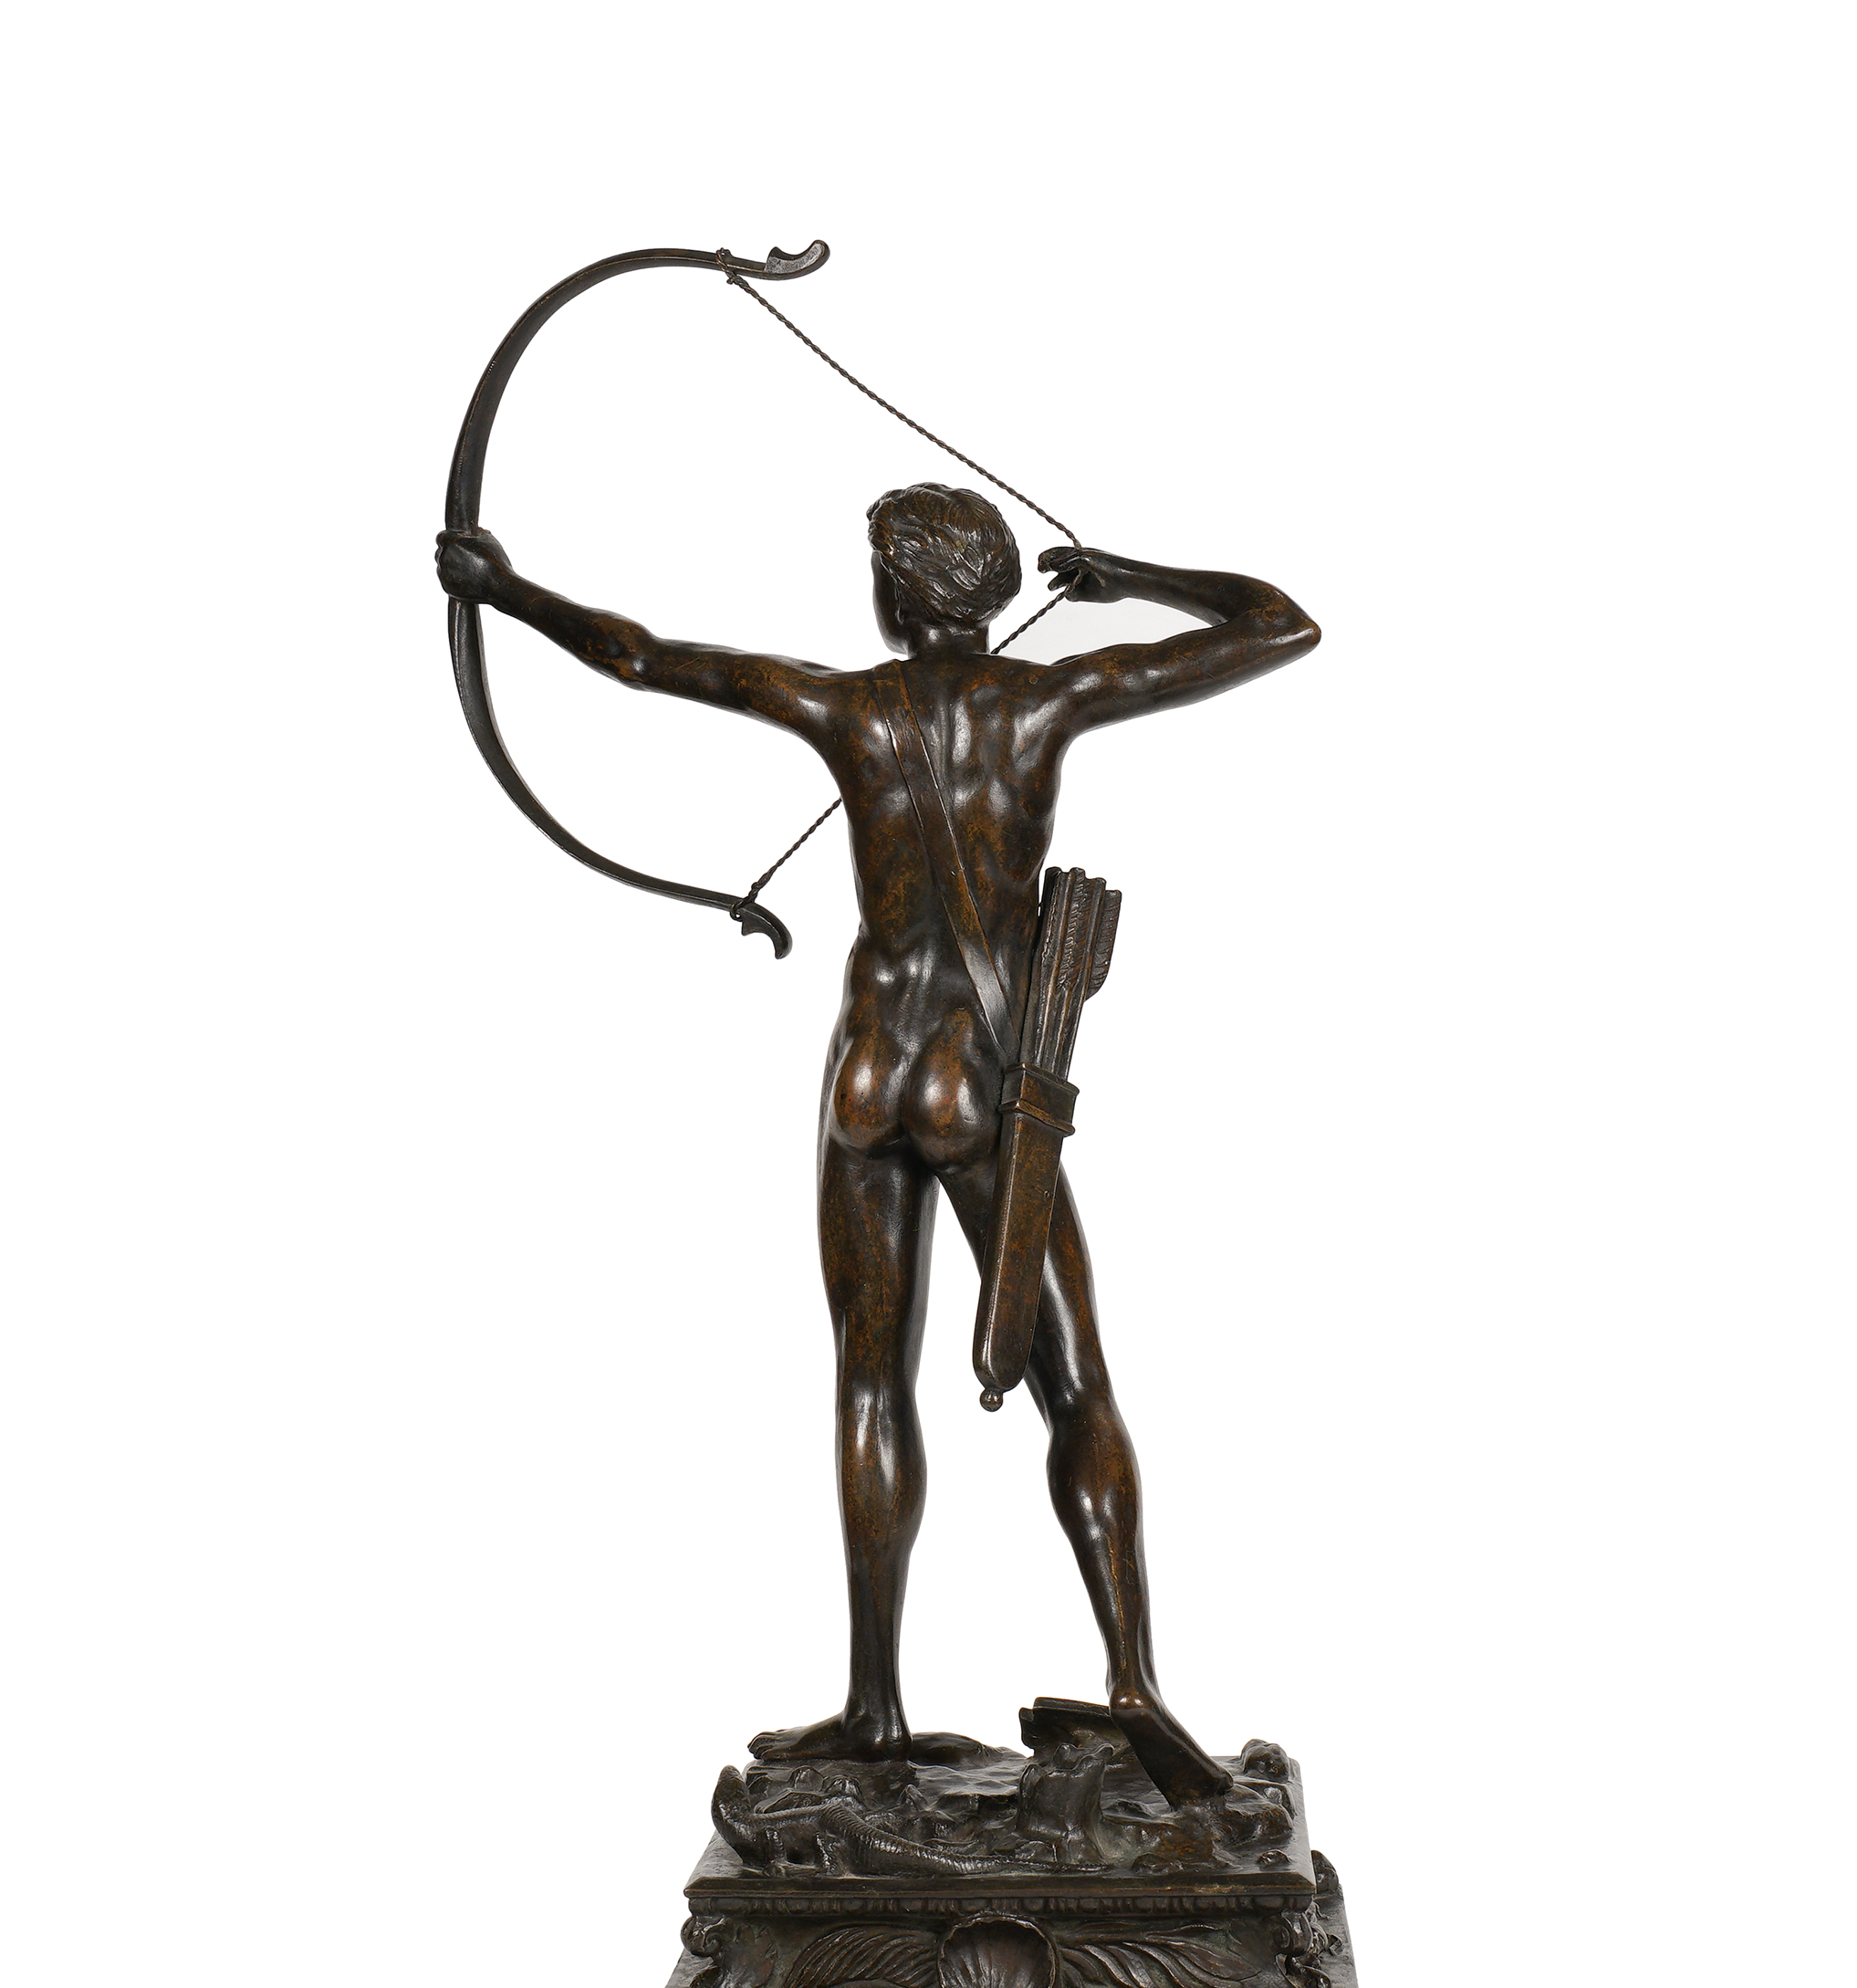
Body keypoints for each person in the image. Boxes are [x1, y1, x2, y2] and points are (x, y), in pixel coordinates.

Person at [435, 485, 1318, 1813]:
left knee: (868, 1383)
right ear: (986, 588)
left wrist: (505, 591)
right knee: (1076, 1388)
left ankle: (876, 1704)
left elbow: (643, 657)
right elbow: (1278, 623)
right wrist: (1128, 575)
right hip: (978, 1079)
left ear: (900, 592)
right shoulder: (1046, 702)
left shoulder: (848, 708)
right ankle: (1127, 1679)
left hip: (869, 1068)